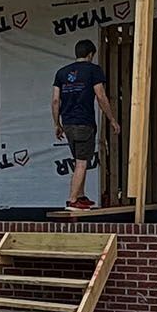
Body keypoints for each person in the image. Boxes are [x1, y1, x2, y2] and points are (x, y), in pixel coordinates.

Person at [52, 39, 121, 210]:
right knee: (82, 162)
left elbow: (55, 101)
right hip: (84, 122)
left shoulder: (61, 73)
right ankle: (73, 200)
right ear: (90, 54)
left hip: (67, 123)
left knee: (78, 160)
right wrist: (112, 119)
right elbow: (101, 96)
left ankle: (81, 196)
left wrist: (57, 123)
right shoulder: (93, 70)